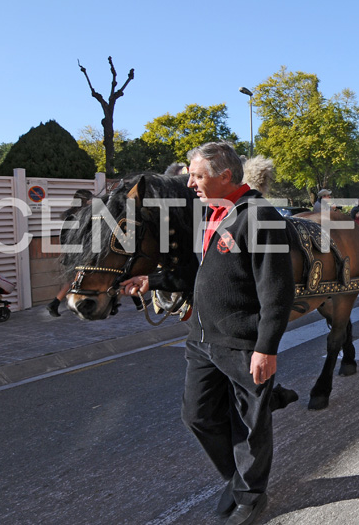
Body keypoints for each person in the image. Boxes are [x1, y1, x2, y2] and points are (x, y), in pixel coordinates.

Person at [121, 142, 296, 525]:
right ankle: (236, 476)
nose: (191, 184)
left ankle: (251, 495)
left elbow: (277, 290)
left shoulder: (260, 216)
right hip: (201, 339)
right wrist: (151, 280)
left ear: (225, 176)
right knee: (196, 414)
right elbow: (199, 274)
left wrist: (266, 347)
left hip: (243, 341)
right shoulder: (210, 214)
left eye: (198, 176)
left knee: (250, 422)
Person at [48, 189, 95, 317]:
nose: (92, 202)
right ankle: (56, 304)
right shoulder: (80, 216)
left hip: (72, 253)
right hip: (78, 254)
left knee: (74, 280)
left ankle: (56, 304)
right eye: (90, 199)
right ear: (85, 200)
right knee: (78, 279)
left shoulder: (71, 214)